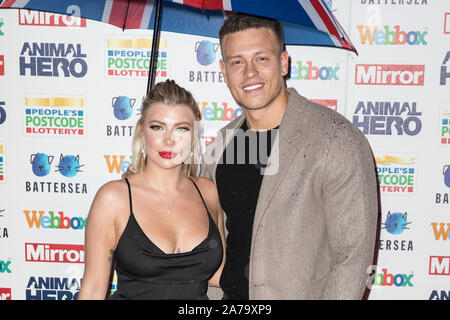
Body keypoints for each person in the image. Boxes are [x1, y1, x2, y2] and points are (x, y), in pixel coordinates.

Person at [200, 14, 379, 300]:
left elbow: (352, 259)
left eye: (261, 59)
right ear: (223, 70)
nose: (249, 73)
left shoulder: (335, 139)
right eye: (237, 62)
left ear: (284, 62)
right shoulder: (217, 149)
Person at [78, 79, 225, 300]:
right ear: (141, 131)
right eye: (158, 127)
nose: (169, 140)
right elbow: (92, 291)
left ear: (194, 135)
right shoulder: (114, 199)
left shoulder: (208, 192)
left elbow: (218, 275)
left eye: (181, 129)